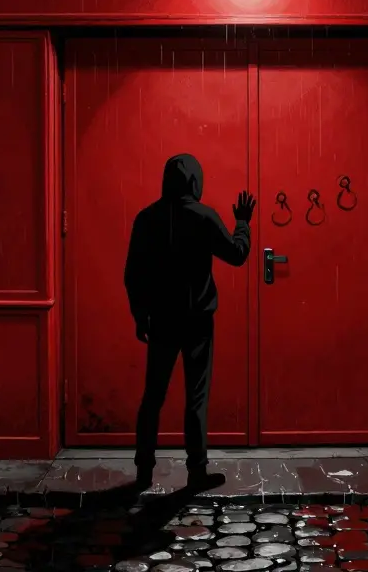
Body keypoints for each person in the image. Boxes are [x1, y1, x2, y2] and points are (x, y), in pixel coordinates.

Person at [124, 153, 255, 490]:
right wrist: (243, 222)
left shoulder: (146, 218)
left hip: (162, 321)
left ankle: (143, 470)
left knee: (152, 396)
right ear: (196, 183)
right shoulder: (204, 217)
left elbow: (133, 275)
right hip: (197, 321)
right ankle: (196, 470)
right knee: (195, 398)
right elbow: (237, 254)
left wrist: (141, 315)